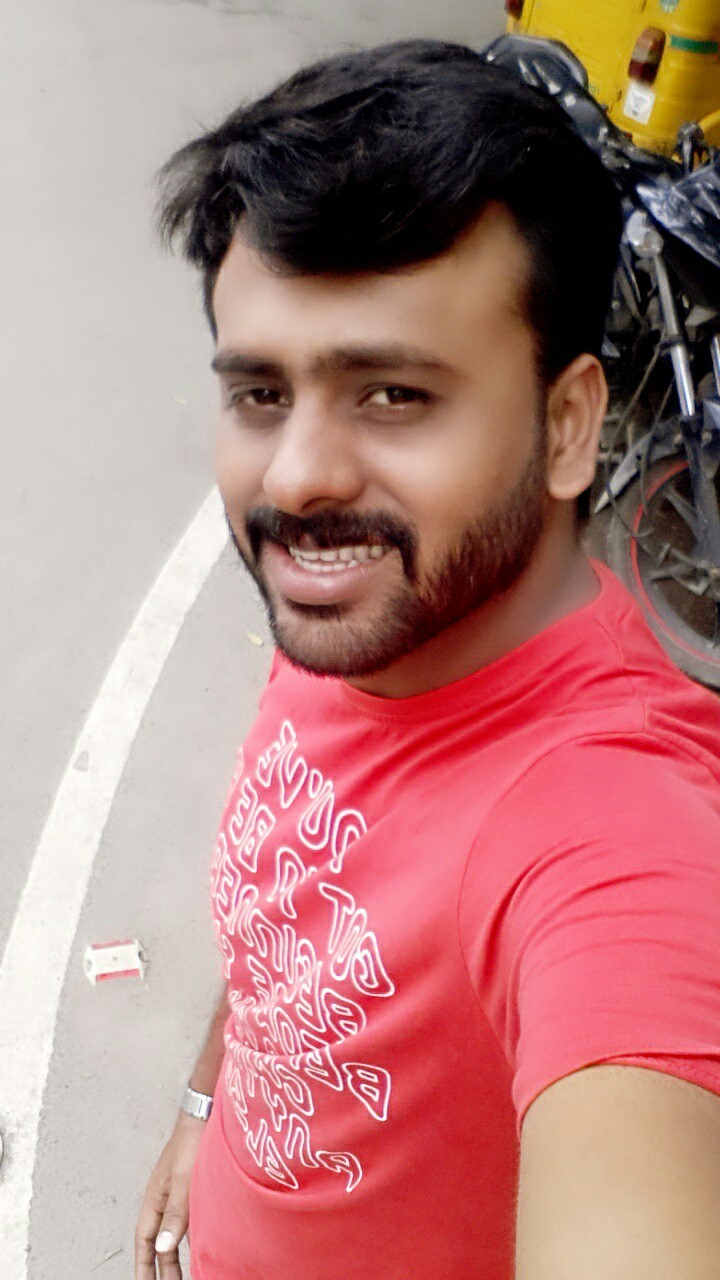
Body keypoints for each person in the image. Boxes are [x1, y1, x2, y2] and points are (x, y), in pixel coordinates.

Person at [135, 40, 720, 1280]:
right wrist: (204, 1111)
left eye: (394, 394)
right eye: (260, 393)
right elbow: (293, 905)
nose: (299, 477)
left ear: (568, 424)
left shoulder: (618, 834)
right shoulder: (371, 611)